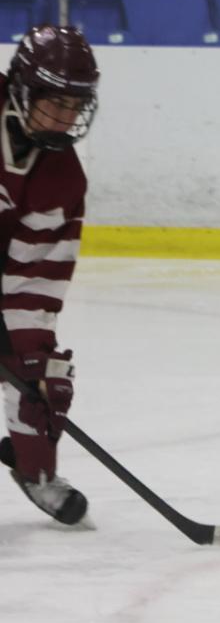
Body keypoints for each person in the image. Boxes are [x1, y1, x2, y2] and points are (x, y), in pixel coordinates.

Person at [0, 26, 98, 529]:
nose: (65, 118)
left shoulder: (63, 178)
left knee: (41, 375)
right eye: (54, 103)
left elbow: (35, 279)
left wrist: (27, 354)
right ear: (22, 88)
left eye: (74, 106)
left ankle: (34, 470)